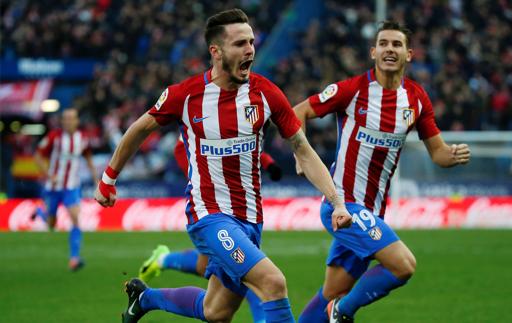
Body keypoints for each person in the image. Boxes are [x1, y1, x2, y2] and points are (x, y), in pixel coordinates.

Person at [94, 8, 352, 323]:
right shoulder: (186, 96)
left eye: (251, 42)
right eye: (240, 44)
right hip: (209, 216)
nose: (250, 50)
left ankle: (145, 298)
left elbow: (303, 150)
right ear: (216, 52)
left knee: (216, 311)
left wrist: (337, 200)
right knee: (273, 283)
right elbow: (139, 129)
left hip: (250, 219)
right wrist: (108, 178)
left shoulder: (266, 93)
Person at [294, 21, 471, 323]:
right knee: (403, 265)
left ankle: (333, 309)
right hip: (343, 206)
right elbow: (299, 111)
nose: (390, 49)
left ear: (409, 54)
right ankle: (343, 313)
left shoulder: (415, 99)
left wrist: (452, 155)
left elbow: (437, 153)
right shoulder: (351, 90)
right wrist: (301, 153)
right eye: (384, 44)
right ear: (373, 51)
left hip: (372, 212)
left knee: (330, 293)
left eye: (397, 44)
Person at [137, 137, 284, 323]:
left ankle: (161, 262)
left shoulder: (240, 120)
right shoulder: (204, 119)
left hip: (230, 197)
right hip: (213, 200)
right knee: (252, 270)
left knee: (212, 294)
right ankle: (262, 319)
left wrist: (267, 162)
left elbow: (241, 144)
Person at [34, 108, 99, 271]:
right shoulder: (54, 137)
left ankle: (74, 258)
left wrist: (97, 180)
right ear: (62, 121)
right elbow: (37, 156)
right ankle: (41, 213)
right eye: (66, 119)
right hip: (53, 187)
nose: (69, 121)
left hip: (72, 186)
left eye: (72, 118)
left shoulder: (82, 138)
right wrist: (49, 175)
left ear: (77, 121)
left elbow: (89, 158)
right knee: (51, 224)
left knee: (75, 218)